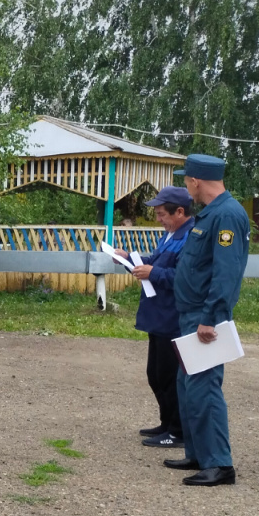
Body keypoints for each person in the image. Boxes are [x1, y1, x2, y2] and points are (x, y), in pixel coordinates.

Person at [164, 154, 250, 487]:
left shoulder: (226, 215)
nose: (187, 187)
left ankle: (220, 464)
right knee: (188, 386)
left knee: (204, 389)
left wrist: (212, 317)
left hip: (204, 317)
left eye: (187, 181)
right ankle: (199, 454)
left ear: (197, 181)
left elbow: (226, 272)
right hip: (191, 313)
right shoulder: (211, 214)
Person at [112, 186, 194, 450]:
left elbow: (183, 278)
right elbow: (154, 264)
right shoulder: (171, 235)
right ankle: (166, 422)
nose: (158, 219)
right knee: (155, 375)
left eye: (162, 214)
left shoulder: (190, 238)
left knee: (169, 376)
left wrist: (152, 273)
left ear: (179, 212)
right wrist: (127, 260)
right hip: (158, 315)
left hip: (172, 316)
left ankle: (178, 431)